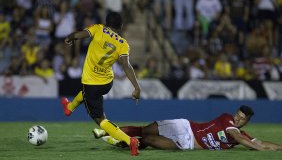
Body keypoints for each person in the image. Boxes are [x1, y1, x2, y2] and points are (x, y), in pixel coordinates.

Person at [61, 12, 141, 156]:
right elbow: (126, 65)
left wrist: (69, 38)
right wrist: (136, 87)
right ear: (121, 26)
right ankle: (69, 107)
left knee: (101, 120)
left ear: (106, 23)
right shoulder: (123, 44)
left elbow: (78, 35)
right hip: (107, 82)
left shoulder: (98, 29)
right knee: (86, 93)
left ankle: (130, 141)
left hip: (92, 83)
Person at [93, 105, 282, 151]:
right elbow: (241, 139)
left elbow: (261, 142)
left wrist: (279, 147)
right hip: (185, 126)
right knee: (145, 130)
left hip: (187, 144)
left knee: (149, 141)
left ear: (246, 121)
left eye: (241, 119)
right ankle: (107, 130)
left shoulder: (242, 133)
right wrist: (256, 147)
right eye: (237, 116)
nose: (237, 120)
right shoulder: (227, 119)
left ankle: (121, 142)